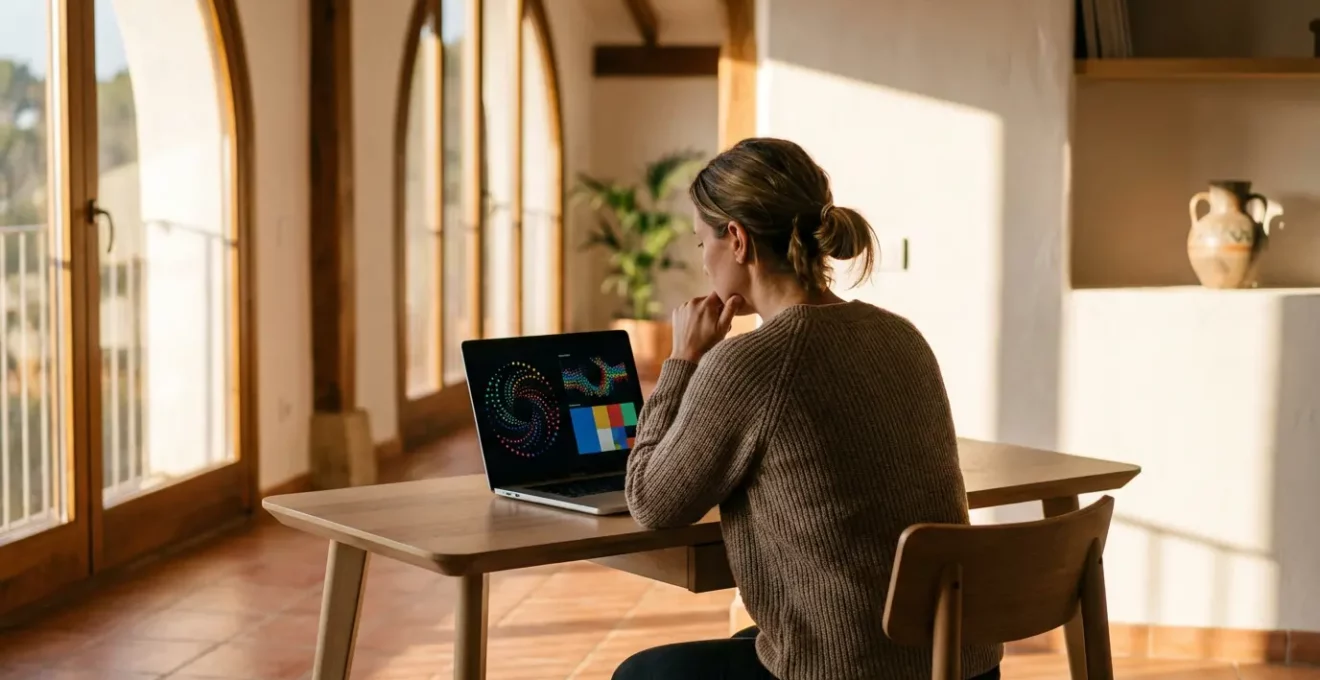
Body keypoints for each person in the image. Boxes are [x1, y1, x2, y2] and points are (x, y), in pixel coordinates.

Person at [613, 138, 1002, 680]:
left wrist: (682, 360)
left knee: (641, 675)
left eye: (703, 242)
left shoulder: (747, 364)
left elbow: (651, 502)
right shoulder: (901, 336)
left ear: (737, 240)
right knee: (753, 639)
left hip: (855, 669)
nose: (702, 262)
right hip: (962, 663)